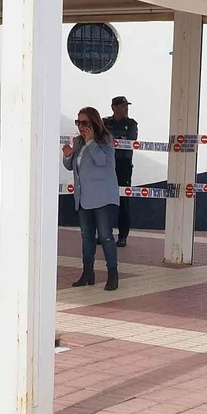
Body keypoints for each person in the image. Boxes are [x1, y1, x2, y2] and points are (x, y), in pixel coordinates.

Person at [63, 106, 121, 290]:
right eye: (78, 122)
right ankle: (87, 272)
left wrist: (90, 142)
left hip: (103, 197)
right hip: (83, 197)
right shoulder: (78, 141)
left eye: (84, 123)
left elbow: (103, 161)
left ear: (94, 122)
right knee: (86, 236)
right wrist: (67, 156)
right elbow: (71, 166)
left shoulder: (105, 139)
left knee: (105, 236)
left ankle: (113, 274)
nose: (81, 127)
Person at [107, 95, 138, 246]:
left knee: (123, 201)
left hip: (123, 166)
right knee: (104, 200)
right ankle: (104, 233)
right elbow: (101, 138)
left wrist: (113, 139)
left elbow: (131, 140)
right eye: (122, 106)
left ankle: (123, 236)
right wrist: (116, 138)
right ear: (114, 107)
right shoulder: (105, 122)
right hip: (106, 165)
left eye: (126, 106)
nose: (126, 109)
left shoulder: (131, 124)